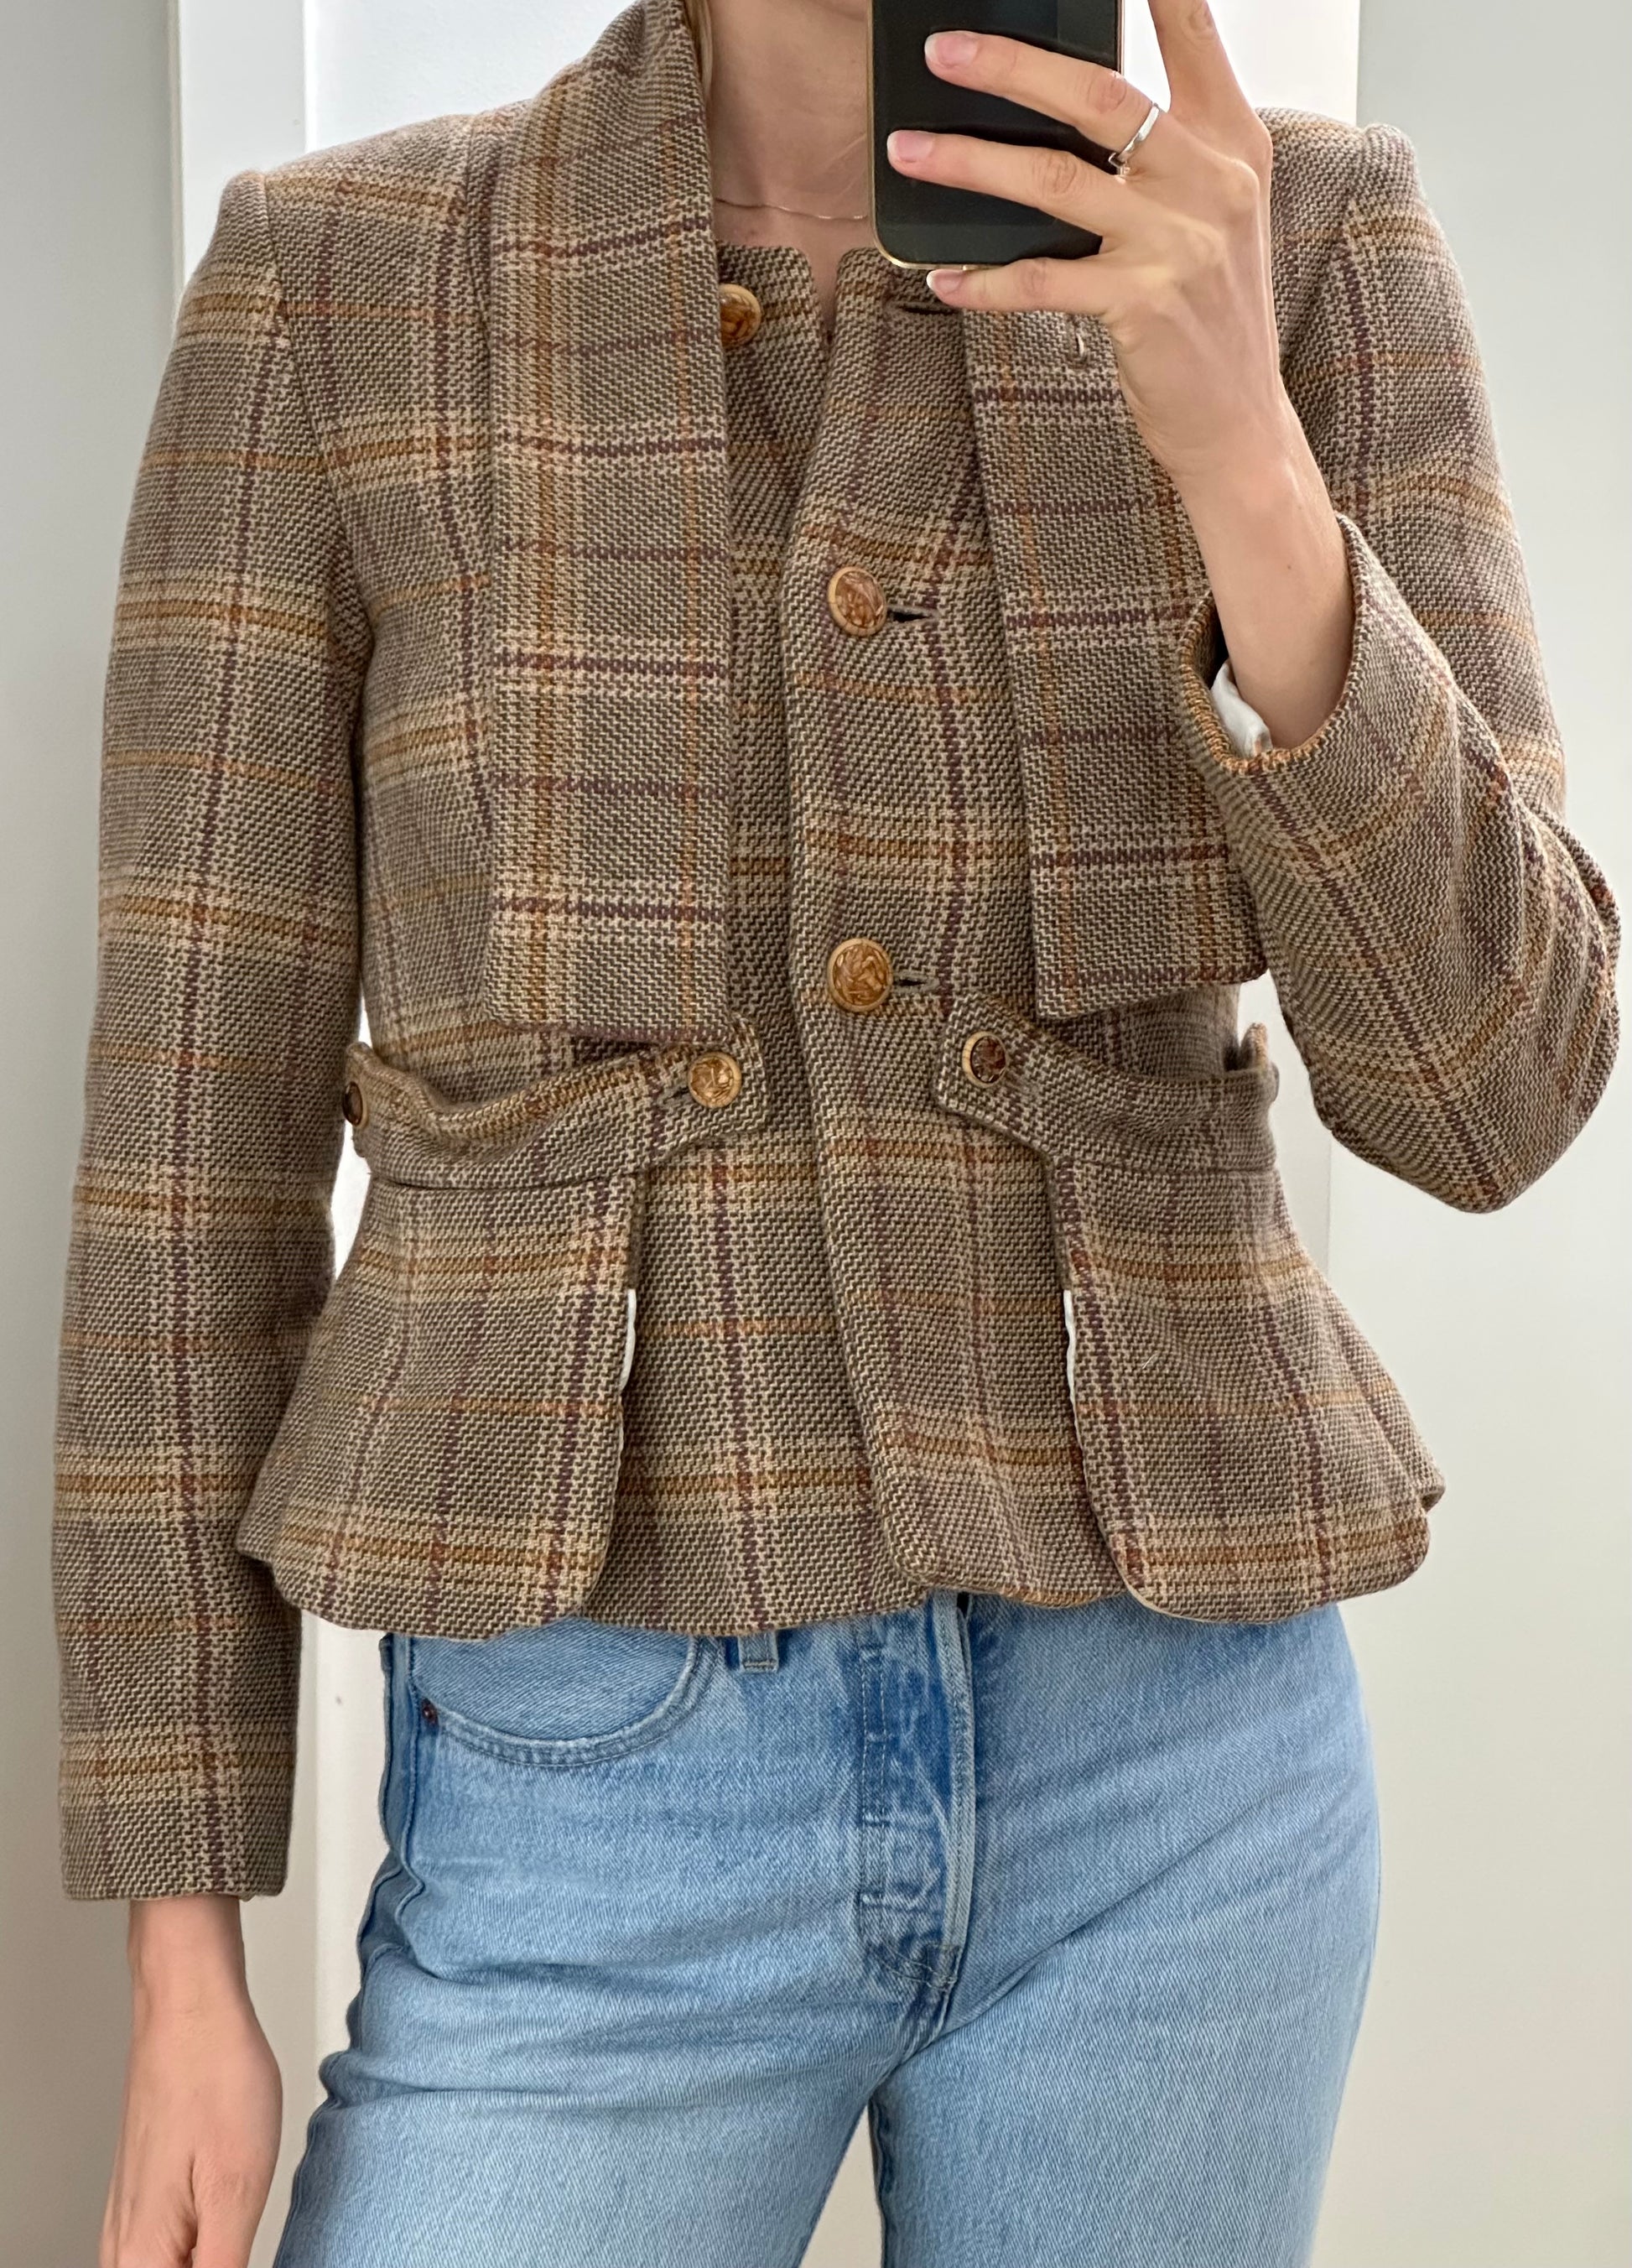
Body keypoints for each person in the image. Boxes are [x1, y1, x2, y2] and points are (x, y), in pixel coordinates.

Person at [59, 0, 1618, 2261]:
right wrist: (182, 1952)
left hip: (1181, 1776)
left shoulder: (1302, 241)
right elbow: (187, 1145)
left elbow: (1494, 1089)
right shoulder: (351, 279)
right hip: (591, 1781)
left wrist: (1242, 455)